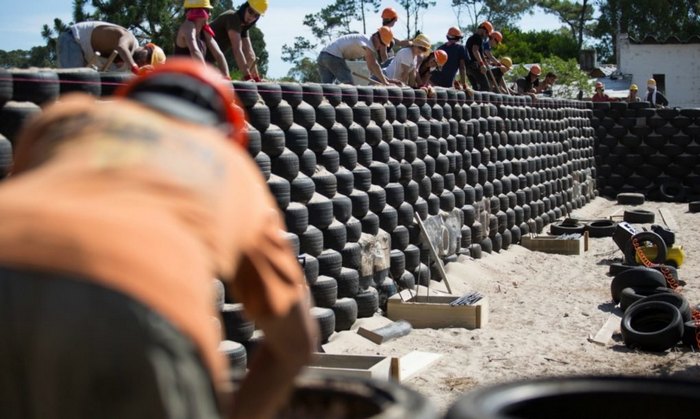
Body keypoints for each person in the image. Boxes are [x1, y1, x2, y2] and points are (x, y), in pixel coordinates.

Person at [0, 58, 318, 419]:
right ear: (226, 131)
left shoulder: (69, 117)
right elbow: (295, 343)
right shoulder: (231, 168)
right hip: (136, 305)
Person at [57, 21, 165, 73]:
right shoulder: (129, 39)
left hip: (87, 54)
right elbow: (121, 47)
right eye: (148, 57)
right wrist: (135, 69)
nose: (144, 62)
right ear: (147, 46)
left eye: (148, 64)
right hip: (74, 39)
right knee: (72, 85)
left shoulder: (125, 67)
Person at [317, 27, 400, 85]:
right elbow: (373, 64)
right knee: (349, 86)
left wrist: (386, 80)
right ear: (376, 36)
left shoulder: (366, 42)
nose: (380, 47)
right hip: (333, 56)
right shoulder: (368, 42)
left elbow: (371, 68)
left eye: (384, 45)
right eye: (382, 43)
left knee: (327, 88)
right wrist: (386, 82)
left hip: (323, 55)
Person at [208, 0, 267, 81]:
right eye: (250, 11)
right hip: (193, 57)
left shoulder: (243, 26)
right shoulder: (233, 17)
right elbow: (237, 50)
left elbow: (250, 53)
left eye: (256, 15)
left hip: (205, 61)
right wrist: (248, 77)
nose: (252, 17)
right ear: (245, 7)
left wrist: (257, 79)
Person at [175, 0, 230, 77]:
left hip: (192, 78)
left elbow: (218, 54)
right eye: (207, 11)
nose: (210, 14)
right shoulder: (188, 26)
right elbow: (194, 51)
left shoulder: (204, 30)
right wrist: (206, 77)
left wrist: (227, 78)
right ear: (197, 12)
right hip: (180, 79)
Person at [464, 21, 493, 92]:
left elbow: (478, 52)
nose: (486, 35)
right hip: (474, 66)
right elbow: (475, 51)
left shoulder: (471, 38)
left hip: (467, 67)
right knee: (485, 87)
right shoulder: (478, 38)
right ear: (483, 30)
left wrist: (484, 59)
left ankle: (474, 102)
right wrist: (482, 64)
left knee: (476, 88)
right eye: (486, 33)